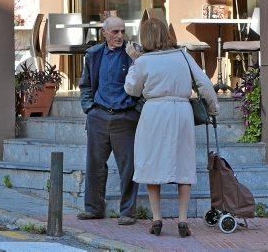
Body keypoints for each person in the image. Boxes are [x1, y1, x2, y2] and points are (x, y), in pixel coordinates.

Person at [124, 18, 219, 238]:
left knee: (151, 162)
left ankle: (157, 217)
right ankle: (183, 219)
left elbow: (131, 89)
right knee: (183, 163)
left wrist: (134, 61)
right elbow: (204, 83)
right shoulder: (183, 55)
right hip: (181, 111)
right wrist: (213, 109)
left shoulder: (143, 61)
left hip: (155, 111)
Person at [77, 16, 141, 226]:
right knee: (94, 164)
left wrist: (136, 111)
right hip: (99, 115)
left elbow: (144, 83)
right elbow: (86, 85)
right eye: (115, 32)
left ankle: (128, 212)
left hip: (125, 116)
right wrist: (89, 108)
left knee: (128, 167)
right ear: (104, 33)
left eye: (123, 31)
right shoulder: (93, 55)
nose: (120, 36)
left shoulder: (133, 53)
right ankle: (94, 209)